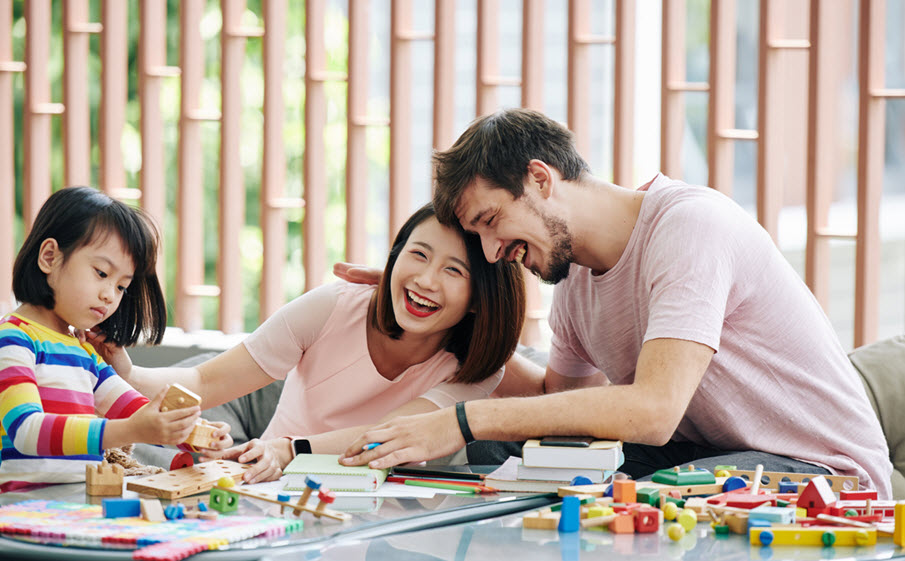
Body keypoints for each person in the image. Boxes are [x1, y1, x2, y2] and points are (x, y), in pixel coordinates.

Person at [339, 108, 893, 498]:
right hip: (709, 461)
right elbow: (558, 409)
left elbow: (653, 411)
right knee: (507, 460)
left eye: (490, 222)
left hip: (824, 475)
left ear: (540, 178)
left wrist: (461, 421)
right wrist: (443, 320)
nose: (493, 251)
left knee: (628, 502)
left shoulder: (689, 228)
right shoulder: (576, 290)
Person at [92, 203, 527, 484]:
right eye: (418, 254)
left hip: (396, 519)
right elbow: (205, 381)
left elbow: (388, 437)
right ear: (394, 257)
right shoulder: (333, 307)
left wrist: (291, 449)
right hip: (277, 492)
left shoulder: (477, 370)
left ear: (478, 300)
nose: (425, 280)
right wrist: (127, 373)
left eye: (454, 271)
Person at [0, 187, 223, 492]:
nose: (109, 295)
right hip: (22, 507)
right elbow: (27, 431)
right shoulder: (13, 339)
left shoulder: (83, 352)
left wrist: (193, 433)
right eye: (102, 273)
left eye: (121, 287)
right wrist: (129, 430)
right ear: (50, 257)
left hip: (78, 499)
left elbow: (137, 410)